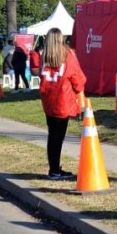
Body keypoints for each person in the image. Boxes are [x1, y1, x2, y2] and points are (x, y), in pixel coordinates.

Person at [39, 28, 86, 180]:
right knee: (58, 136)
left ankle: (54, 167)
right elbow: (78, 78)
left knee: (52, 134)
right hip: (63, 99)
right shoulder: (67, 55)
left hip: (48, 100)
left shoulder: (45, 57)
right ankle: (54, 170)